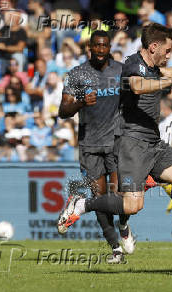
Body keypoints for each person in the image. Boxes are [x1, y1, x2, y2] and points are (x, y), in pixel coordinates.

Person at [57, 25, 172, 264]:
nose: (169, 54)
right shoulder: (132, 63)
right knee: (132, 205)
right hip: (132, 143)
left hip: (153, 142)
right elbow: (139, 85)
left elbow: (162, 73)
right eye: (168, 50)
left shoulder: (152, 67)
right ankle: (83, 204)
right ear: (154, 47)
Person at [58, 30, 134, 263]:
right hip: (89, 145)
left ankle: (123, 224)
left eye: (105, 46)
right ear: (89, 47)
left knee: (121, 196)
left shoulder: (121, 71)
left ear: (110, 47)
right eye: (96, 46)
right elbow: (63, 112)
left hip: (116, 142)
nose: (101, 50)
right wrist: (81, 102)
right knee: (99, 196)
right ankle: (115, 249)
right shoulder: (77, 74)